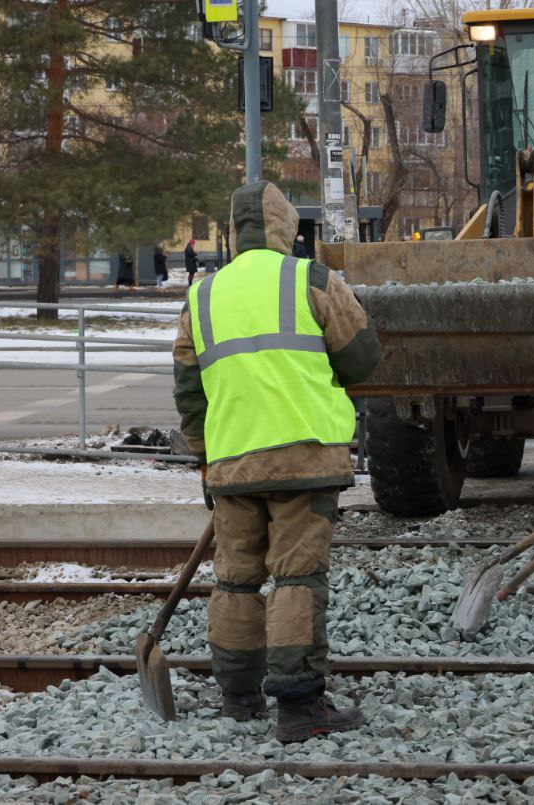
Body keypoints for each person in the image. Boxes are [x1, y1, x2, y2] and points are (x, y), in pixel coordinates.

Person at [172, 180, 382, 743]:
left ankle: (239, 696)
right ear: (287, 227)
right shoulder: (310, 279)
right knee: (296, 576)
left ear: (233, 233)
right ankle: (299, 706)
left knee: (236, 578)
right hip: (305, 456)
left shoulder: (201, 297)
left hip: (231, 463)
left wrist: (205, 462)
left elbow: (190, 395)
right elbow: (363, 360)